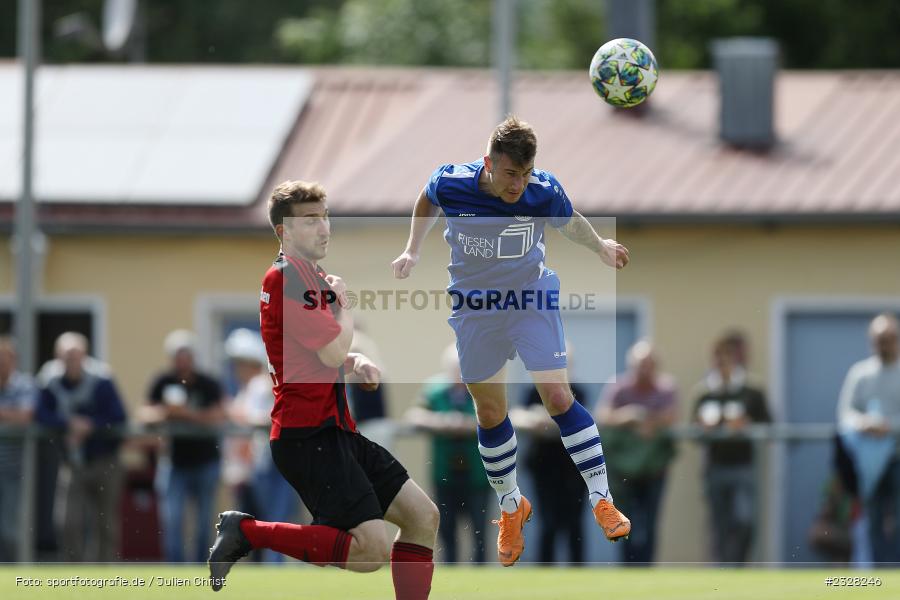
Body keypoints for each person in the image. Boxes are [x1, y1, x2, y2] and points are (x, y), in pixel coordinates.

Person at [391, 115, 631, 566]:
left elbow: (570, 220)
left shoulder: (543, 190)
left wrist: (599, 245)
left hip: (530, 298)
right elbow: (427, 198)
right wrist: (413, 248)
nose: (518, 184)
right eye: (509, 174)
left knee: (558, 394)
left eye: (524, 174)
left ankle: (602, 497)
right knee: (489, 409)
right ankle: (510, 505)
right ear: (488, 164)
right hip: (476, 306)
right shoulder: (452, 182)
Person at [208, 180, 439, 600]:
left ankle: (248, 532)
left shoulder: (306, 276)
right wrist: (345, 306)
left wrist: (354, 361)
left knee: (423, 516)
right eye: (310, 219)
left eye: (325, 216)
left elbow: (313, 354)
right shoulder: (289, 278)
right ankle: (248, 532)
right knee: (372, 551)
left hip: (334, 430)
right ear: (285, 231)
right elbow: (331, 350)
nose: (323, 226)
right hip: (308, 436)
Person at [35, 332, 127, 562]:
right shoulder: (49, 379)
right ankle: (74, 575)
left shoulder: (102, 378)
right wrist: (68, 424)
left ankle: (103, 579)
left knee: (105, 524)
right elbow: (39, 413)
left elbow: (118, 416)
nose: (71, 361)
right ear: (58, 357)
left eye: (75, 356)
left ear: (84, 356)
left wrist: (91, 426)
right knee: (67, 522)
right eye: (66, 357)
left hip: (105, 460)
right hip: (72, 462)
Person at [140, 330, 227, 563]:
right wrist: (167, 413)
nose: (182, 360)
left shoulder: (207, 382)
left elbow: (220, 415)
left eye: (185, 354)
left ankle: (200, 566)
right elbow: (145, 414)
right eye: (177, 355)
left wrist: (187, 414)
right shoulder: (163, 381)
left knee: (203, 522)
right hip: (174, 463)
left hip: (206, 462)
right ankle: (175, 569)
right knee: (172, 519)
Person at [405, 344, 490, 564]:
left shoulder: (485, 389)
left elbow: (498, 419)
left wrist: (468, 425)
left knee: (479, 532)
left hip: (478, 475)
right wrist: (442, 422)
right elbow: (414, 415)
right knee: (447, 531)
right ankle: (451, 579)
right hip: (445, 472)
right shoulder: (434, 390)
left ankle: (482, 582)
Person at [595, 340, 677, 565]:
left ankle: (647, 568)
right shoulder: (619, 387)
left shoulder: (666, 387)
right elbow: (603, 415)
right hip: (622, 471)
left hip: (654, 469)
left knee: (650, 522)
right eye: (640, 364)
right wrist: (628, 417)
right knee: (623, 520)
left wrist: (651, 421)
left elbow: (672, 415)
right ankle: (626, 567)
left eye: (649, 364)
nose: (644, 369)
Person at [692, 335, 771, 565]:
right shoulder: (704, 393)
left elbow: (768, 424)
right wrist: (703, 428)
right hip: (715, 467)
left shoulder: (752, 390)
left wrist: (746, 425)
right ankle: (722, 572)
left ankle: (737, 566)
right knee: (719, 524)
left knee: (745, 520)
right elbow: (693, 431)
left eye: (727, 357)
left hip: (743, 467)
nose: (722, 362)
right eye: (718, 357)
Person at [223, 327, 298, 564]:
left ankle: (275, 569)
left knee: (276, 520)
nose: (238, 369)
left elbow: (263, 418)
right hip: (261, 462)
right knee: (265, 523)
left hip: (278, 460)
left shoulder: (263, 385)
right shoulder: (254, 387)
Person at [512, 343, 590, 566]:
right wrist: (538, 419)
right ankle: (544, 573)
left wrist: (543, 420)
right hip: (543, 466)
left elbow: (574, 423)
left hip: (574, 467)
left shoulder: (578, 391)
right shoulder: (533, 391)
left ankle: (578, 575)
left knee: (574, 524)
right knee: (548, 523)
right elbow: (518, 416)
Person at [837, 313, 900, 564]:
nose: (884, 344)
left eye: (889, 338)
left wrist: (889, 426)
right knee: (871, 519)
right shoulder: (860, 374)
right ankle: (877, 578)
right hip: (868, 464)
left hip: (897, 459)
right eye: (879, 339)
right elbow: (845, 413)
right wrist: (863, 423)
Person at [0, 336, 37, 562]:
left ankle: (14, 576)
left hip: (15, 470)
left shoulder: (25, 384)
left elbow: (25, 416)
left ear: (13, 361)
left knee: (11, 529)